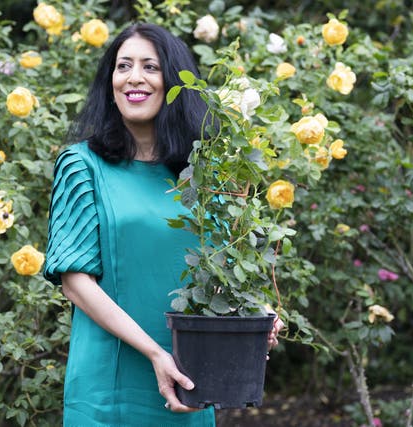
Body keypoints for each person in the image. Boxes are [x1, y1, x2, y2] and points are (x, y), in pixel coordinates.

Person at [44, 22, 283, 427]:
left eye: (150, 67)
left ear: (173, 82)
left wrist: (258, 312)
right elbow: (75, 282)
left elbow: (218, 271)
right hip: (110, 390)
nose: (134, 78)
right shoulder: (83, 166)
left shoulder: (201, 176)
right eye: (123, 67)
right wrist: (156, 355)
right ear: (110, 83)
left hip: (190, 381)